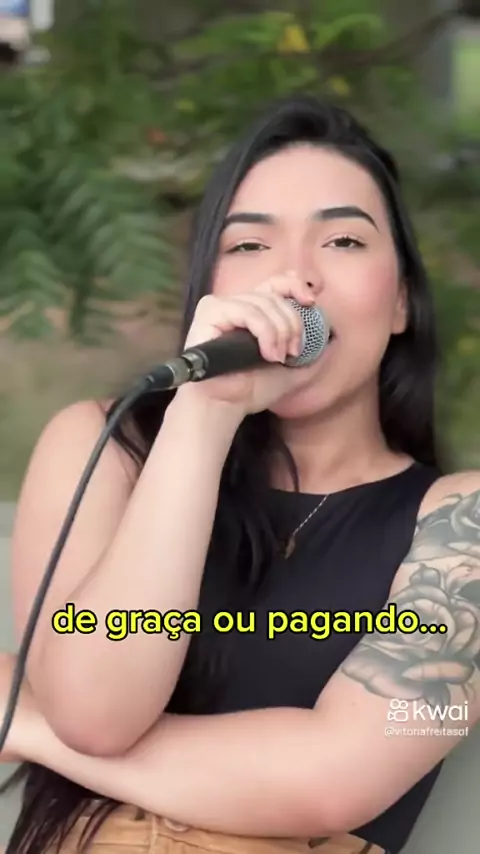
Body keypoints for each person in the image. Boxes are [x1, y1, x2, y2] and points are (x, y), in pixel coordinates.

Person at [0, 94, 479, 854]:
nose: (294, 277)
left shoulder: (464, 523)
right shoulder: (103, 445)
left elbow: (335, 783)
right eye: (250, 245)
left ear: (401, 302)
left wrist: (26, 724)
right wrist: (205, 412)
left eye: (344, 241)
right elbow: (95, 713)